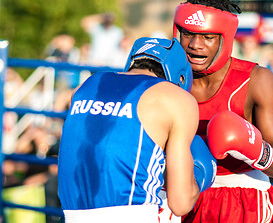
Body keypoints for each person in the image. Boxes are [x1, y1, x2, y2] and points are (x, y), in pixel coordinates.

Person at [57, 37, 217, 223]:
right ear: (181, 77)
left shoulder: (86, 86)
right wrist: (198, 174)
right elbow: (180, 203)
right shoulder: (176, 98)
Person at [172, 0, 273, 222]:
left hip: (240, 200)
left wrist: (255, 150)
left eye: (208, 37)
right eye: (188, 34)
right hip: (181, 193)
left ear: (224, 38)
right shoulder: (166, 80)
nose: (195, 45)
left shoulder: (255, 80)